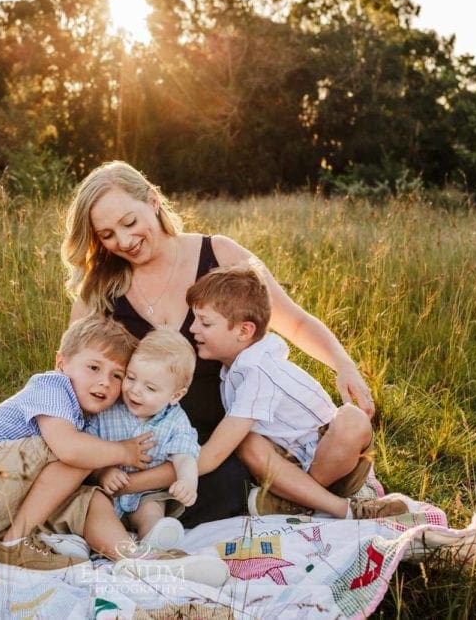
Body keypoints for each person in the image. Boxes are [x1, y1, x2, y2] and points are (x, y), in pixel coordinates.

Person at [62, 161, 377, 526]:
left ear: (152, 201)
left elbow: (295, 320)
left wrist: (343, 363)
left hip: (223, 438)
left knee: (230, 483)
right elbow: (75, 375)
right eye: (107, 235)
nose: (124, 241)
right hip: (139, 441)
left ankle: (293, 499)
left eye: (129, 223)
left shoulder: (220, 255)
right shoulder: (97, 291)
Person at [0, 314, 228, 585]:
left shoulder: (91, 417)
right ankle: (13, 545)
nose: (104, 382)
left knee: (89, 498)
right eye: (94, 367)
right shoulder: (51, 387)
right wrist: (123, 452)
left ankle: (137, 559)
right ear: (61, 363)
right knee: (79, 452)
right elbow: (70, 449)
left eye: (117, 375)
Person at [187, 263, 407, 519]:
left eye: (204, 322)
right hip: (290, 464)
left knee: (352, 418)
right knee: (247, 443)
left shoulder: (258, 370)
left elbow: (214, 453)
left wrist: (165, 474)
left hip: (334, 458)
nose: (193, 328)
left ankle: (307, 500)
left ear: (244, 331)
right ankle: (318, 503)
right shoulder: (232, 372)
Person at [87, 328, 199, 550]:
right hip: (104, 491)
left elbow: (185, 456)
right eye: (131, 377)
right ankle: (89, 541)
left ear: (175, 395)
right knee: (91, 508)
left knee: (151, 510)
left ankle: (153, 537)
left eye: (150, 388)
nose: (135, 391)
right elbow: (87, 448)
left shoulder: (175, 421)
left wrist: (188, 482)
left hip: (146, 494)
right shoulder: (109, 407)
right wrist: (102, 473)